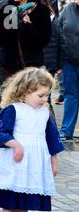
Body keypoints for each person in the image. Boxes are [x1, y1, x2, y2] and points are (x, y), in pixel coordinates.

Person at [0, 67, 64, 212]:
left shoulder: (45, 113)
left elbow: (52, 139)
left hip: (35, 164)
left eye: (47, 95)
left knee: (24, 202)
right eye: (41, 95)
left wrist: (53, 162)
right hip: (15, 164)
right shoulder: (13, 110)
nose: (45, 99)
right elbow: (1, 132)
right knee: (10, 201)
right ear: (26, 91)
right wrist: (16, 145)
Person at [0, 0, 52, 83]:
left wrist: (28, 26)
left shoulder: (40, 10)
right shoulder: (8, 9)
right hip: (10, 67)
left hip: (32, 68)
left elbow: (44, 40)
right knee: (10, 95)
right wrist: (13, 24)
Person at [58, 0, 79, 141]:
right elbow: (57, 32)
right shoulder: (67, 9)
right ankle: (66, 131)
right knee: (70, 95)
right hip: (69, 61)